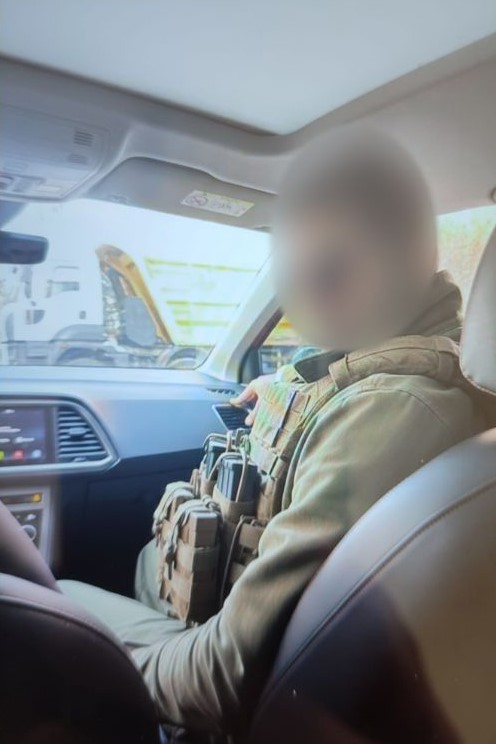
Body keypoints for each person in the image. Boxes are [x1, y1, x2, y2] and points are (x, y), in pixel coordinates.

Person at [60, 128, 482, 739]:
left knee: (41, 608)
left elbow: (227, 675)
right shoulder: (390, 376)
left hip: (232, 693)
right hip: (211, 633)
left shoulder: (393, 412)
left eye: (331, 266)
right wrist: (285, 387)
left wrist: (93, 664)